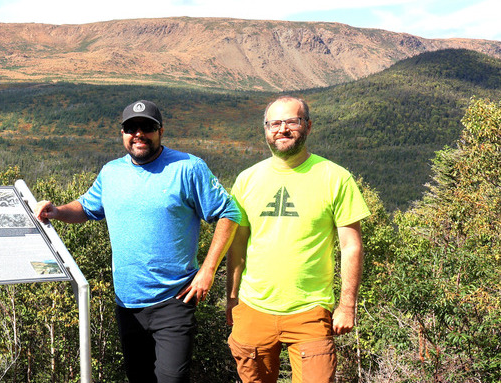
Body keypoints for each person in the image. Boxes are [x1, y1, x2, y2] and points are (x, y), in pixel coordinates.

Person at [34, 100, 240, 382]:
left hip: (174, 301)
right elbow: (86, 207)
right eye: (132, 127)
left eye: (147, 127)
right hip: (127, 304)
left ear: (161, 131)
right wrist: (56, 211)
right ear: (123, 133)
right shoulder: (111, 172)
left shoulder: (188, 168)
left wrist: (208, 270)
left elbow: (229, 213)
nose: (139, 134)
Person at [225, 96, 369, 382]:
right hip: (253, 309)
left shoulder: (336, 178)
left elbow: (351, 246)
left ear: (308, 126)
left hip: (311, 311)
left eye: (292, 121)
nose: (283, 129)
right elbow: (237, 246)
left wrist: (347, 305)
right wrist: (231, 298)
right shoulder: (247, 180)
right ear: (265, 129)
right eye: (275, 123)